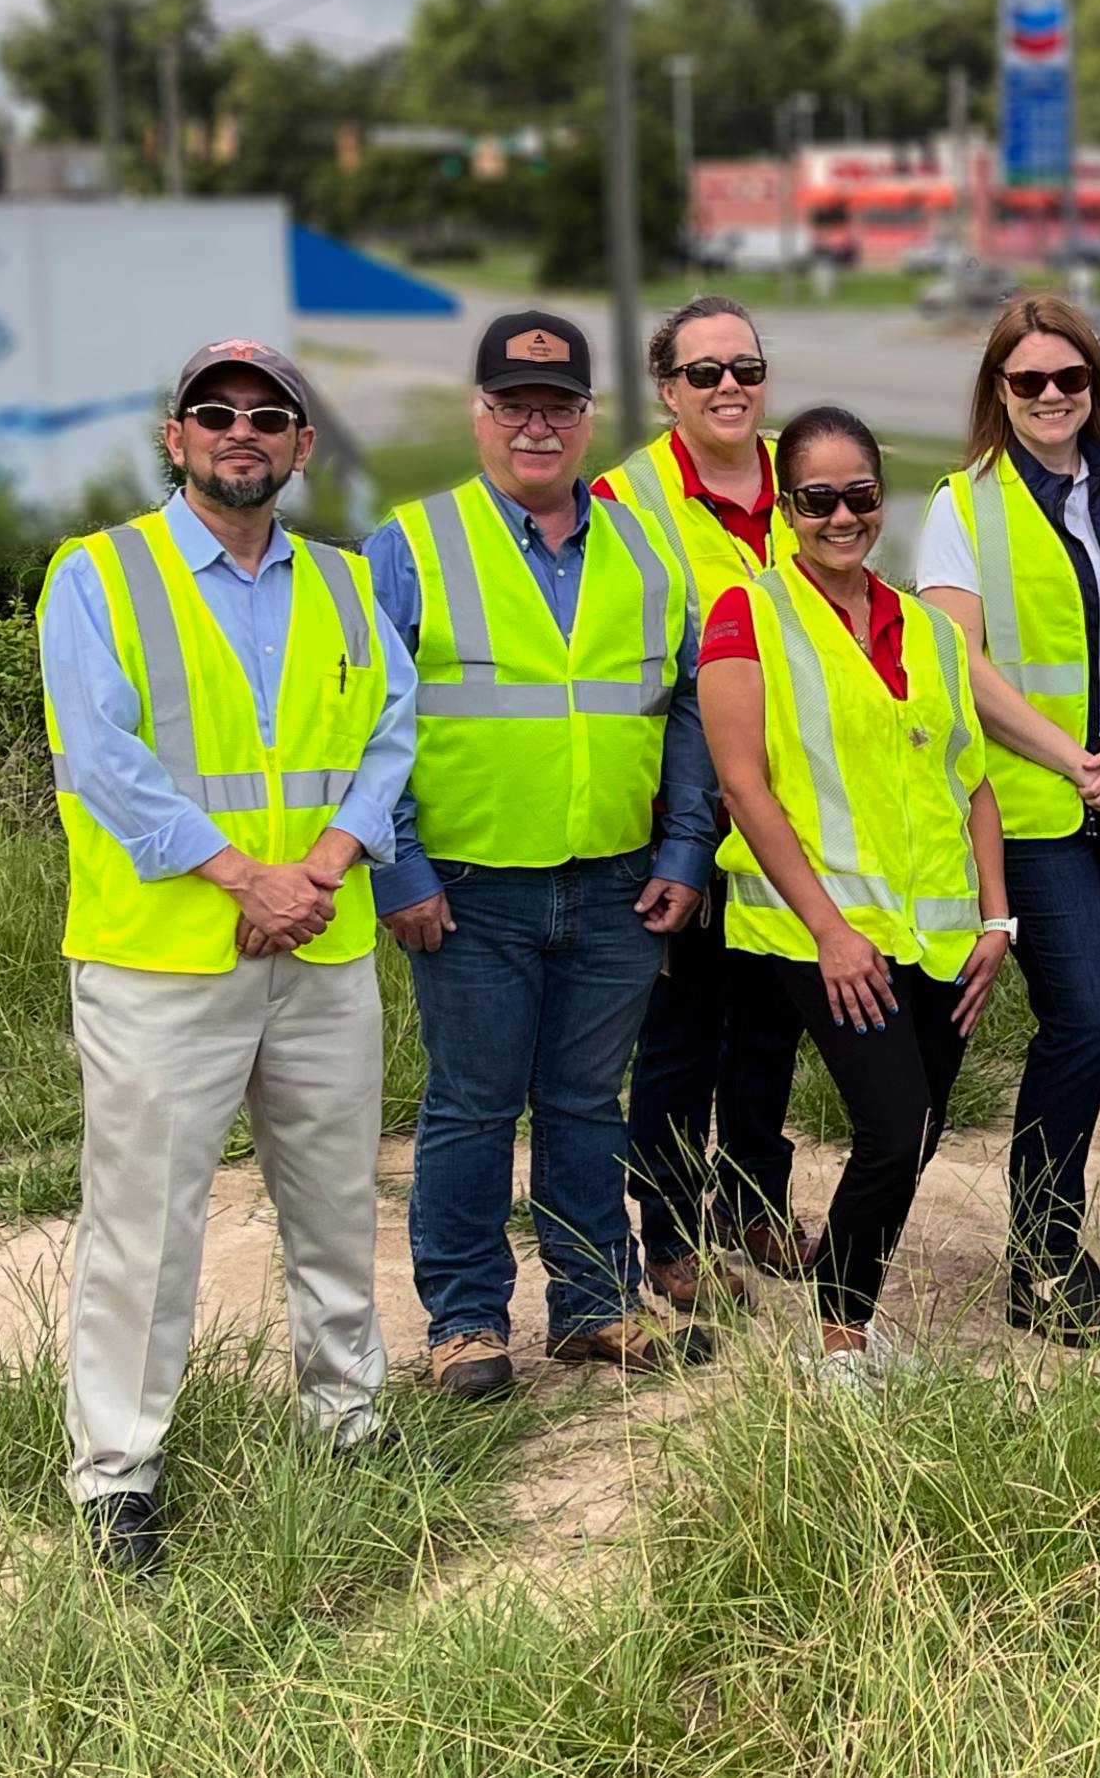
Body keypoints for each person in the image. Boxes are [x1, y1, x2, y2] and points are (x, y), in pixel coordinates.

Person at [41, 339, 414, 1573]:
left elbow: (390, 736)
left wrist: (320, 866)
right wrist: (240, 874)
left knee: (331, 1202)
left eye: (271, 414)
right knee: (143, 1224)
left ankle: (349, 1417)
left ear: (304, 445)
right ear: (176, 435)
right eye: (217, 411)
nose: (241, 430)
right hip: (165, 958)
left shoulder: (350, 585)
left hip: (319, 945)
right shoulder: (99, 576)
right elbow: (103, 759)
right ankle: (116, 1476)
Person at [366, 309, 720, 1399]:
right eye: (513, 406)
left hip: (617, 883)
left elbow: (690, 709)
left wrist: (685, 849)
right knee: (472, 1105)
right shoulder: (412, 542)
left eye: (557, 407)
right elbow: (368, 724)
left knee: (583, 1103)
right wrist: (399, 866)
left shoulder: (647, 548)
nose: (535, 426)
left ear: (586, 419)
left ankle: (593, 1305)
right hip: (469, 890)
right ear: (478, 415)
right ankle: (468, 1322)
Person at [702, 406, 1015, 1383]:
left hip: (942, 933)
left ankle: (853, 1319)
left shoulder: (923, 627)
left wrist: (996, 918)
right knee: (890, 1129)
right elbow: (743, 787)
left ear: (883, 497)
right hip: (825, 933)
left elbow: (970, 778)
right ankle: (838, 1344)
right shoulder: (745, 614)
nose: (841, 516)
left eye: (860, 496)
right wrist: (831, 933)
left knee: (915, 1135)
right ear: (787, 507)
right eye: (817, 499)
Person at [907, 294, 1100, 1344]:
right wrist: (1076, 761)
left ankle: (1051, 1237)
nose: (1051, 398)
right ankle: (1043, 1254)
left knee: (1094, 1019)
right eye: (1027, 381)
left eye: (1069, 379)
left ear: (1093, 388)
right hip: (1031, 810)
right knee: (1076, 1017)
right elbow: (960, 664)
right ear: (998, 391)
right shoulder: (961, 505)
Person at [598, 295, 806, 1314]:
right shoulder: (622, 500)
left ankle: (757, 1200)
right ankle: (671, 1229)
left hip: (798, 802)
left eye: (746, 369)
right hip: (685, 807)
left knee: (773, 1017)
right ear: (667, 388)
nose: (730, 387)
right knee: (681, 1031)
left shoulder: (803, 484)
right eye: (705, 372)